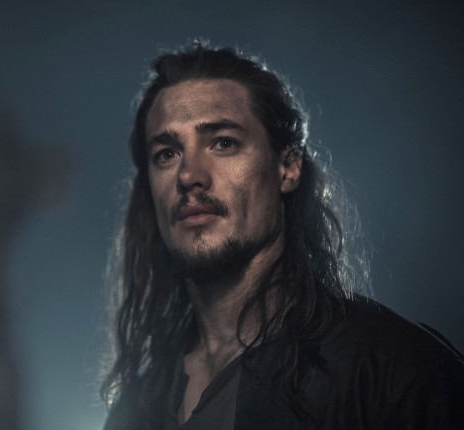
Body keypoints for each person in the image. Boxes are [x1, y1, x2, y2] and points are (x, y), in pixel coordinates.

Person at [100, 41, 464, 430]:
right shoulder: (133, 410)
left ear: (287, 168)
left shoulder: (393, 370)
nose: (189, 175)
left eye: (223, 143)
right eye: (167, 154)